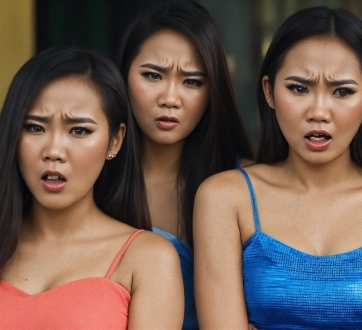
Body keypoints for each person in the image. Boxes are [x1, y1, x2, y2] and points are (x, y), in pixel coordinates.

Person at [194, 6, 362, 330]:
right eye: (299, 88)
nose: (318, 111)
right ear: (269, 91)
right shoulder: (225, 198)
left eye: (342, 91)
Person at [0, 45, 183, 330]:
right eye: (35, 128)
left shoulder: (147, 259)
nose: (54, 151)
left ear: (115, 141)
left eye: (79, 131)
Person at [117, 1, 254, 329]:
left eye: (191, 81)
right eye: (153, 75)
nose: (170, 98)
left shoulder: (247, 184)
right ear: (122, 74)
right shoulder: (90, 181)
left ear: (213, 90)